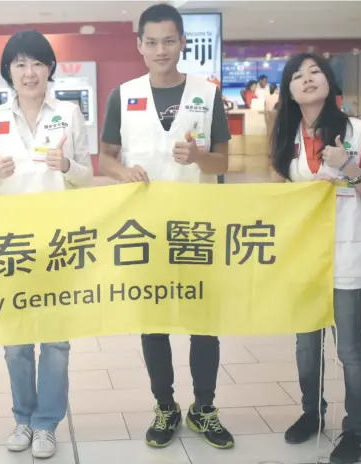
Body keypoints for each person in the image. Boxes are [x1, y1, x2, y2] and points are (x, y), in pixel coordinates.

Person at [98, 3, 234, 451]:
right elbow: (107, 157)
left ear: (182, 43)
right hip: (145, 228)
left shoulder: (207, 94)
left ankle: (205, 408)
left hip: (197, 228)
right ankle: (165, 406)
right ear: (139, 45)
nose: (161, 49)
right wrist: (123, 173)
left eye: (169, 40)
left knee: (203, 321)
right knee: (154, 321)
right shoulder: (124, 93)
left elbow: (223, 161)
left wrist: (198, 158)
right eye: (151, 41)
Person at [0, 30, 93, 458]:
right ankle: (22, 419)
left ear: (50, 69)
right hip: (11, 245)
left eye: (38, 63)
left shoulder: (69, 114)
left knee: (56, 341)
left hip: (59, 242)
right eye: (20, 64)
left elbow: (88, 180)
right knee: (16, 342)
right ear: (8, 70)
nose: (29, 72)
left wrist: (69, 165)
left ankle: (46, 424)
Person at [269, 52, 361, 464]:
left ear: (329, 81)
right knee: (306, 344)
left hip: (345, 253)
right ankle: (311, 413)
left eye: (315, 71)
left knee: (349, 348)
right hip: (304, 256)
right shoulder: (287, 137)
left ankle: (356, 428)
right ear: (289, 90)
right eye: (297, 76)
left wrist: (349, 167)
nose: (307, 79)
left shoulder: (357, 130)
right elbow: (280, 195)